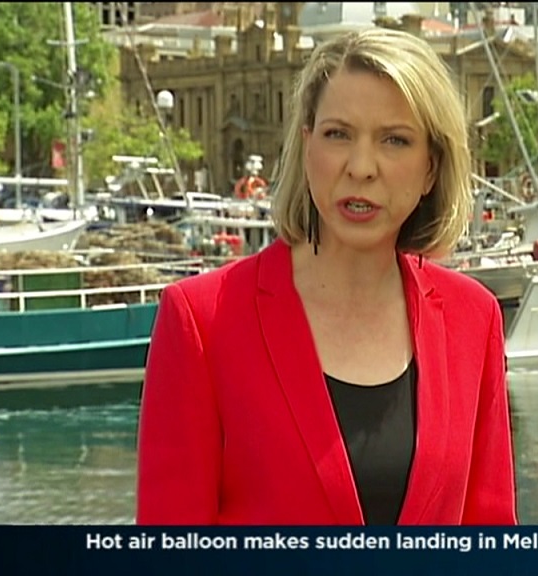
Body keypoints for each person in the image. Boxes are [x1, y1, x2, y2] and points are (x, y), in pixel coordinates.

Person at [135, 27, 518, 526]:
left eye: (395, 140)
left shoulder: (474, 319)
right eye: (338, 134)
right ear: (307, 146)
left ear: (431, 169)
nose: (361, 167)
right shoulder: (201, 321)